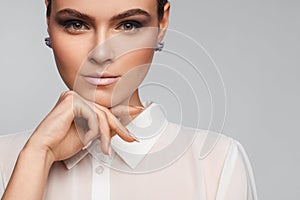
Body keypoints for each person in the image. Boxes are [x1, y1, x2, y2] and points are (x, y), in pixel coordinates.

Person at [0, 0, 258, 199]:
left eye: (128, 25)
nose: (101, 54)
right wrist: (37, 156)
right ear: (48, 20)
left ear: (162, 23)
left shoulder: (217, 162)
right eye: (76, 24)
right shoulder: (6, 159)